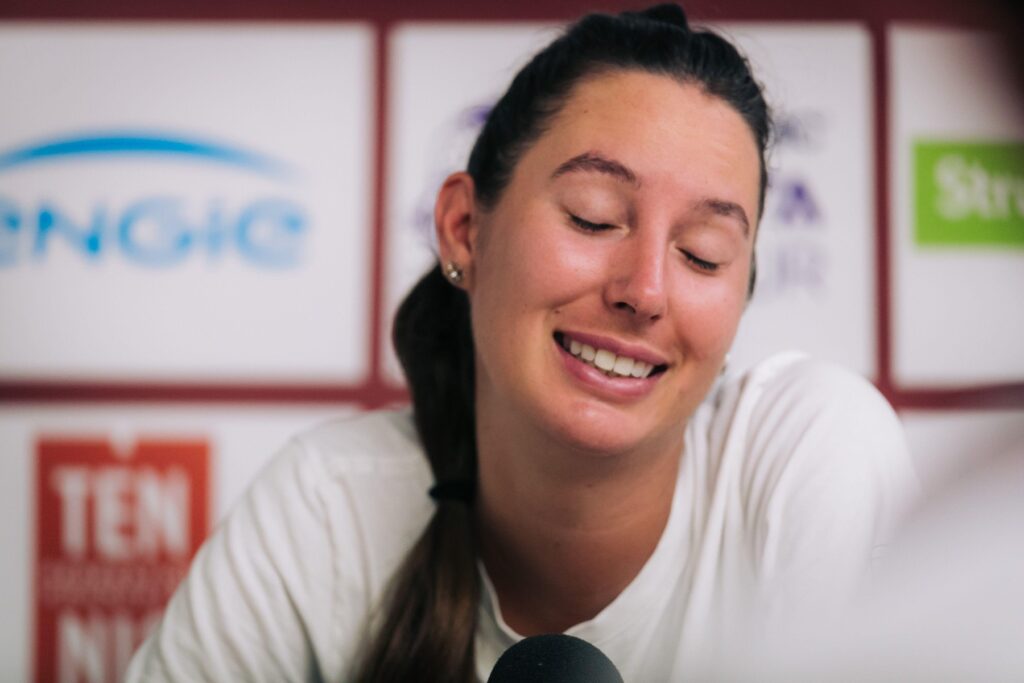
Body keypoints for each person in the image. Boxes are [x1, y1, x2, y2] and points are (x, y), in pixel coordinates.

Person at [126, 4, 916, 681]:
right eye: (592, 217)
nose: (645, 290)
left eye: (703, 254)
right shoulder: (327, 506)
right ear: (464, 229)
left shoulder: (811, 455)